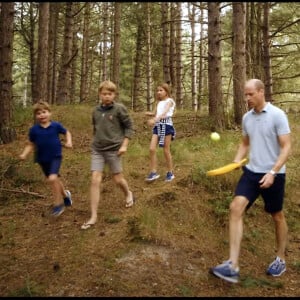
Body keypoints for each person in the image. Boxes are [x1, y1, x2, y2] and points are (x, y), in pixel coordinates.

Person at [210, 79, 291, 283]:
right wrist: (237, 159)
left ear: (261, 92)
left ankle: (280, 257)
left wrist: (273, 172)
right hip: (252, 171)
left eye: (250, 94)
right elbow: (245, 143)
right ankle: (233, 265)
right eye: (245, 95)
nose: (246, 98)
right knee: (235, 207)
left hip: (274, 173)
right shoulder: (247, 118)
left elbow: (286, 147)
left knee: (277, 215)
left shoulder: (277, 115)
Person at [81, 80, 135, 230]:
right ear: (100, 94)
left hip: (114, 149)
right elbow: (96, 128)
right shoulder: (95, 111)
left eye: (110, 94)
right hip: (98, 149)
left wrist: (124, 145)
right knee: (95, 180)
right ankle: (93, 216)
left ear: (114, 95)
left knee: (118, 180)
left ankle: (128, 193)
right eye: (104, 94)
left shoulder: (119, 109)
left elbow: (130, 127)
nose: (107, 96)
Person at [19, 101, 73, 217]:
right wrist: (24, 154)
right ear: (36, 116)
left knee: (52, 178)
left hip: (55, 157)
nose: (42, 115)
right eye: (39, 113)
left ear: (50, 113)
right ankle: (65, 195)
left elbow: (66, 132)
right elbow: (30, 144)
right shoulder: (34, 130)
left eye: (44, 112)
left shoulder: (55, 126)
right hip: (42, 159)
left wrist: (69, 141)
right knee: (55, 179)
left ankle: (58, 205)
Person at [145, 83, 176, 182]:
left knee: (166, 150)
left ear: (166, 92)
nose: (158, 92)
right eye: (157, 90)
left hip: (167, 126)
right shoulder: (158, 103)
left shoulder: (170, 101)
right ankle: (153, 172)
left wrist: (155, 119)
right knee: (151, 149)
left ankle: (170, 173)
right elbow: (155, 113)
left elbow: (164, 113)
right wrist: (148, 114)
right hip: (157, 127)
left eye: (161, 90)